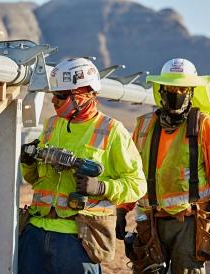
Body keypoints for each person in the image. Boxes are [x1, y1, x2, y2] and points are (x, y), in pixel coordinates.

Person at [19, 57, 147, 274]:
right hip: (36, 233)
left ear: (83, 95)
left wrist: (102, 188)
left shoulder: (112, 131)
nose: (54, 102)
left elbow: (137, 185)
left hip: (78, 239)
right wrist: (28, 163)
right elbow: (34, 179)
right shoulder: (51, 125)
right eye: (53, 95)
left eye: (60, 96)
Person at [116, 58, 210, 273]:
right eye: (171, 87)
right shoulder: (144, 125)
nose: (176, 93)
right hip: (150, 220)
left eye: (182, 88)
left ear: (191, 92)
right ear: (160, 90)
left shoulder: (204, 125)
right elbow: (133, 172)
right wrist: (123, 210)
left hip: (190, 223)